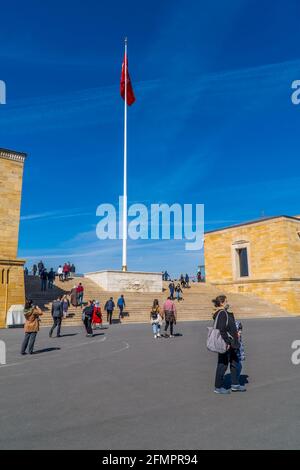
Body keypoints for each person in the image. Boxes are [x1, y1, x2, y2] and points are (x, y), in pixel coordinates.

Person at [212, 295, 246, 394]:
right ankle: (218, 387)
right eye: (226, 301)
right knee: (222, 364)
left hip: (232, 344)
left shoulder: (224, 313)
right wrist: (227, 342)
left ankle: (235, 384)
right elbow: (221, 329)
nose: (228, 302)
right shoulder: (222, 313)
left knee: (235, 362)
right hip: (227, 344)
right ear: (222, 303)